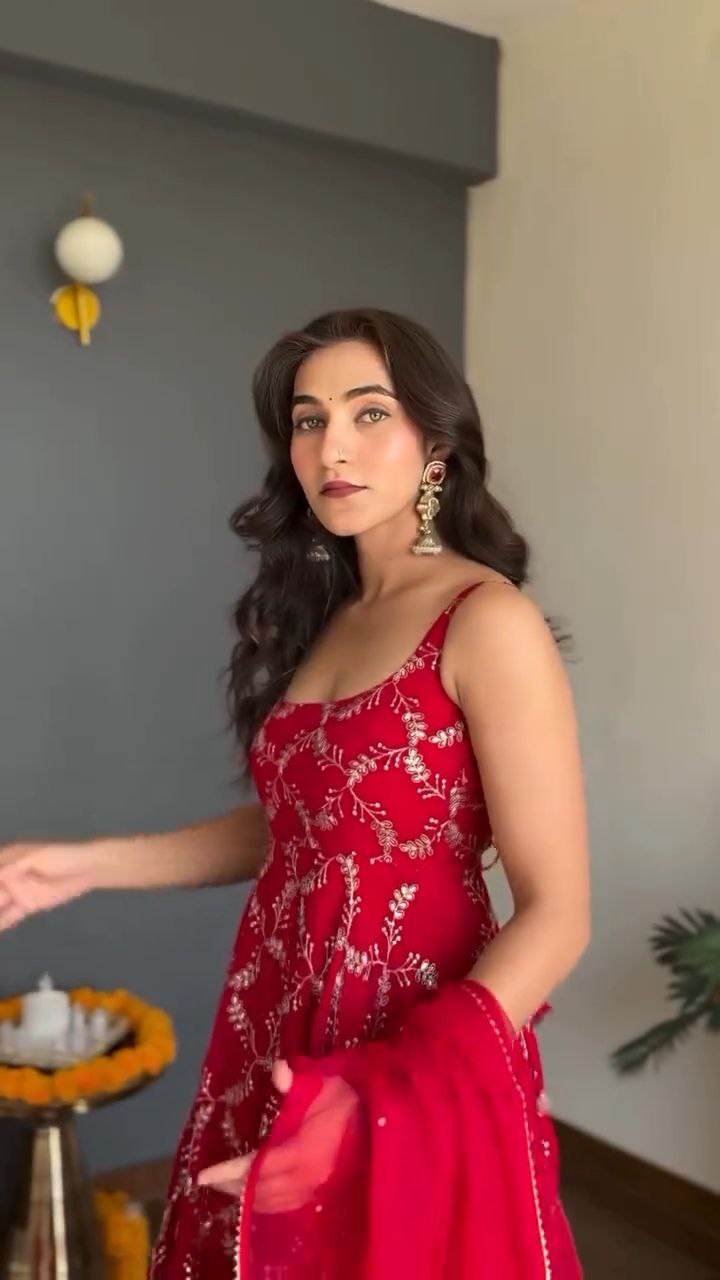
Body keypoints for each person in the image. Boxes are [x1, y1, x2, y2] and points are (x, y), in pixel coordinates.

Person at [0, 309, 590, 1278]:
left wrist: (382, 1092)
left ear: (437, 443)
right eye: (309, 420)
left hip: (408, 1048)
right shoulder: (333, 617)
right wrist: (83, 865)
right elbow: (300, 831)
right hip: (274, 1012)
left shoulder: (486, 619)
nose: (332, 447)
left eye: (369, 412)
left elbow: (559, 913)